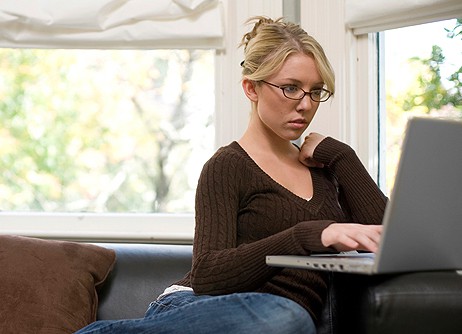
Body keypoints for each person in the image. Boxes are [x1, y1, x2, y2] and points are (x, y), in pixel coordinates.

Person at [76, 16, 387, 334]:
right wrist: (307, 236)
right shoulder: (228, 166)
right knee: (286, 316)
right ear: (251, 88)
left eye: (316, 91)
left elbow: (388, 239)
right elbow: (208, 276)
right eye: (291, 88)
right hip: (200, 307)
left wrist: (341, 156)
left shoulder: (325, 171)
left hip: (280, 322)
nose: (306, 105)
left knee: (290, 317)